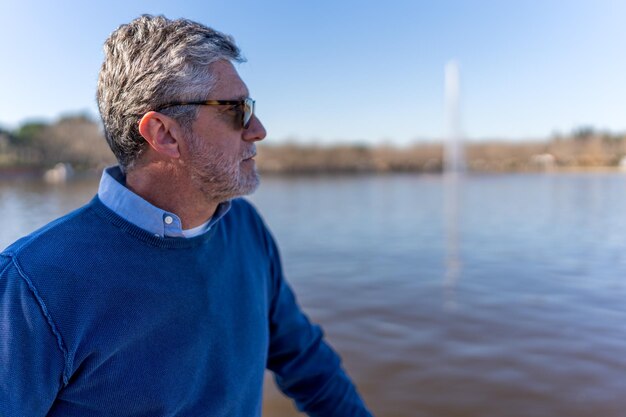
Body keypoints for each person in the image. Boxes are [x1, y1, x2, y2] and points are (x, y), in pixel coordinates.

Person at [0, 15, 373, 417]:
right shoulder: (32, 286)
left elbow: (308, 364)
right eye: (236, 110)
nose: (258, 129)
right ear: (163, 134)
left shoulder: (246, 229)